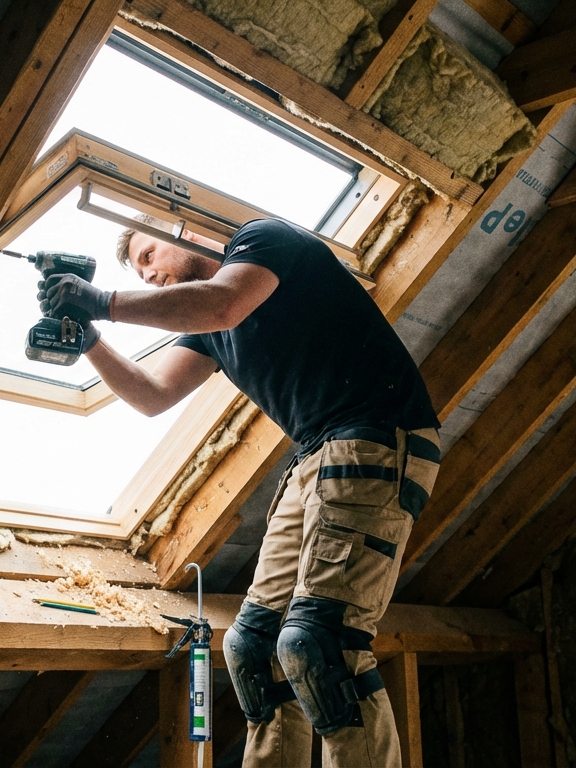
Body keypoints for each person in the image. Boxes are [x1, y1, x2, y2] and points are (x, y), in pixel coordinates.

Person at [40, 216, 441, 767]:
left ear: (185, 229)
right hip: (315, 456)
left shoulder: (265, 241)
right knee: (253, 646)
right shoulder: (205, 326)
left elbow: (222, 303)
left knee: (320, 643)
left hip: (375, 437)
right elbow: (154, 394)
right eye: (137, 270)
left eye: (149, 254)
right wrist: (90, 338)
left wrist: (102, 299)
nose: (148, 273)